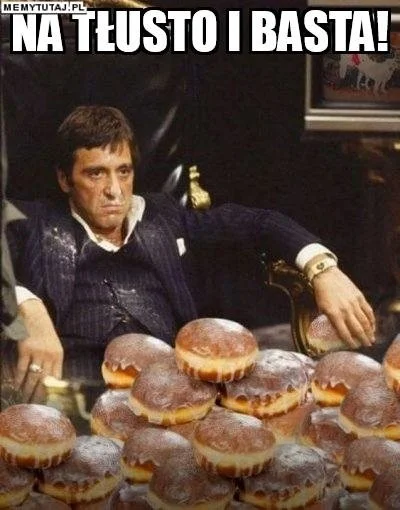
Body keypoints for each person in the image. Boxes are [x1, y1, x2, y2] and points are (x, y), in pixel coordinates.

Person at [6, 105, 375, 402]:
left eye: (124, 171)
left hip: (171, 391)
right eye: (96, 174)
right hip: (73, 389)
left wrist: (322, 268)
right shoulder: (33, 222)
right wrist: (28, 308)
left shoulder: (164, 216)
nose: (114, 191)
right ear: (65, 179)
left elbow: (260, 223)